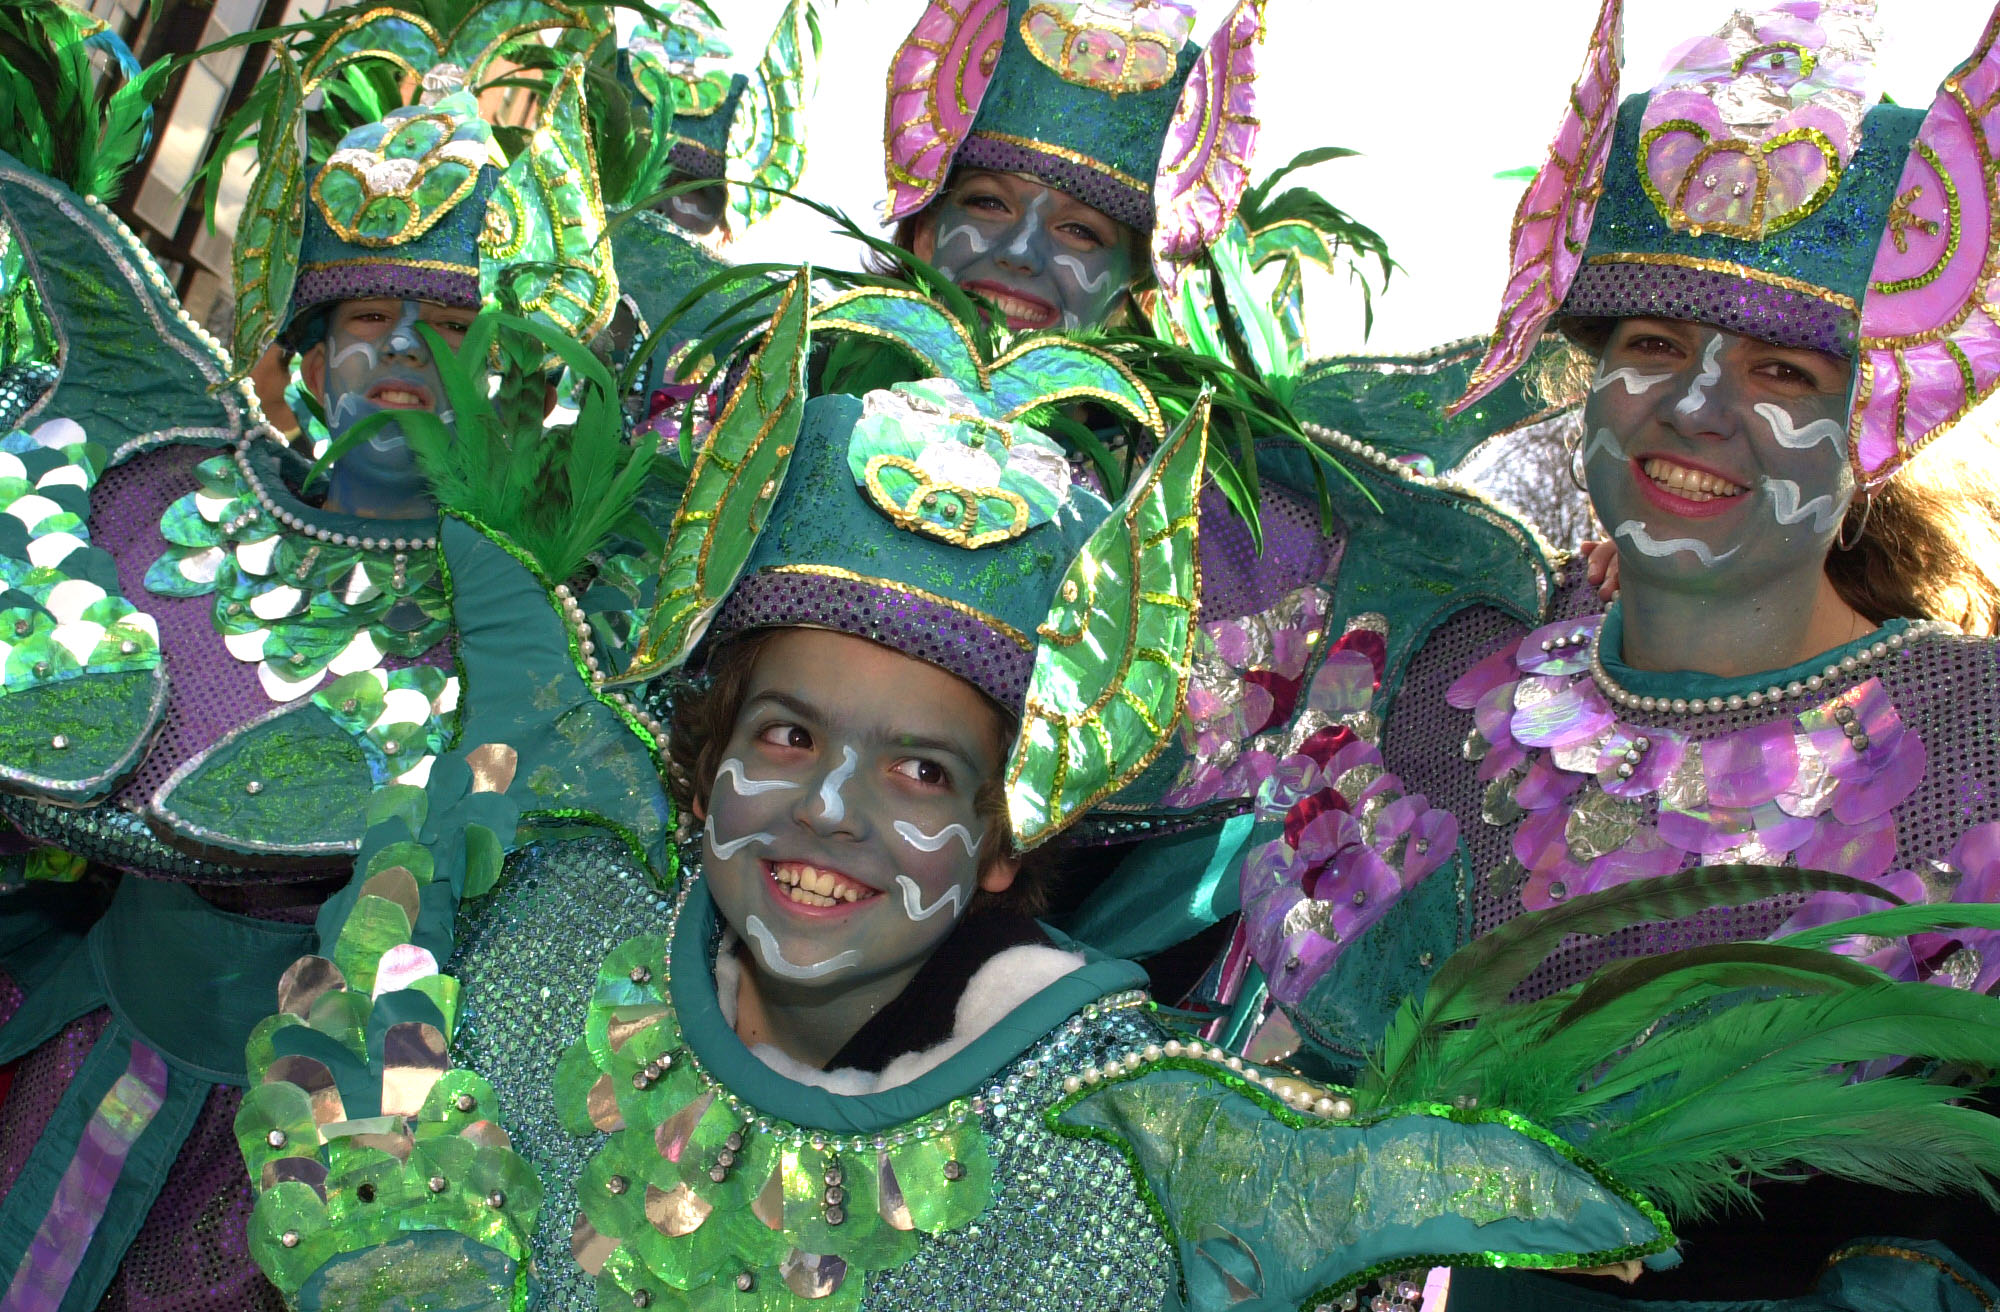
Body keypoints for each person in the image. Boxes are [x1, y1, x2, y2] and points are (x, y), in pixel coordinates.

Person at [1247, 0, 2000, 1303]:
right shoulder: (1439, 695)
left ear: (1876, 422)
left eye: (1780, 371)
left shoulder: (1974, 747)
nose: (1697, 409)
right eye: (1653, 344)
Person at [0, 5, 625, 1306]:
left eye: (444, 327)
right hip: (87, 1049)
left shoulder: (534, 616)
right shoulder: (165, 507)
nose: (399, 354)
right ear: (302, 361)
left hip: (311, 1143)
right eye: (365, 319)